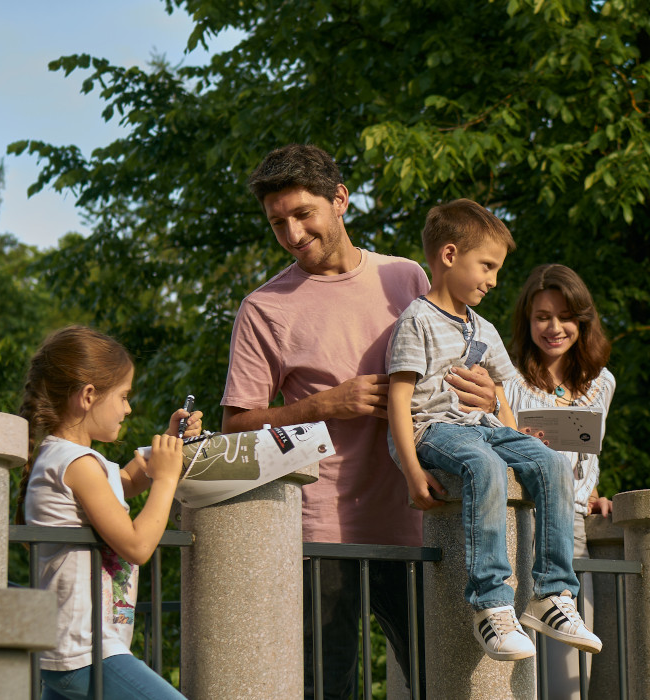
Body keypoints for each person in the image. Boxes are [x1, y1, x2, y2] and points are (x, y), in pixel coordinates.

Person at [221, 144, 496, 699]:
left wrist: (487, 392)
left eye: (303, 215)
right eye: (278, 223)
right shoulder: (263, 308)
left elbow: (460, 365)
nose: (293, 234)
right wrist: (323, 406)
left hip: (420, 515)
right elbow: (236, 427)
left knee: (444, 681)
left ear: (340, 200)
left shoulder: (408, 277)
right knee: (331, 687)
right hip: (322, 536)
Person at [386, 199, 603, 661]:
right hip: (434, 430)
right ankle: (490, 603)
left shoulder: (482, 327)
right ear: (449, 256)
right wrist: (410, 471)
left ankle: (552, 594)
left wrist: (518, 438)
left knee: (550, 463)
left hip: (483, 427)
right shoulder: (416, 321)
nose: (493, 280)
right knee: (482, 465)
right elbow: (399, 401)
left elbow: (501, 398)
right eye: (487, 266)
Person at [18, 325, 203, 700]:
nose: (128, 408)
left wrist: (169, 444)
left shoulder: (71, 459)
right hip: (84, 651)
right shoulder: (76, 464)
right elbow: (136, 545)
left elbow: (126, 482)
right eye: (123, 397)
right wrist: (167, 479)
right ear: (88, 395)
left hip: (72, 650)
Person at [504, 264, 614, 696]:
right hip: (517, 526)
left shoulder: (601, 383)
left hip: (571, 530)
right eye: (542, 317)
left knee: (570, 675)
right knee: (518, 671)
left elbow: (587, 457)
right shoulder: (507, 379)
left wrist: (595, 495)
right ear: (527, 322)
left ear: (582, 319)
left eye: (565, 316)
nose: (554, 327)